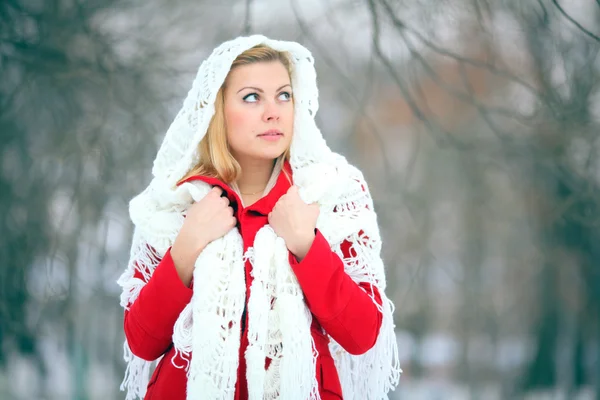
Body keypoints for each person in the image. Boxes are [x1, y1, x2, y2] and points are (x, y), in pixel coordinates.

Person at [117, 35, 401, 400]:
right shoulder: (176, 203)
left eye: (284, 95)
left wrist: (307, 246)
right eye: (252, 97)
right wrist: (186, 247)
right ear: (216, 110)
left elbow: (362, 335)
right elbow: (142, 341)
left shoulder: (329, 196)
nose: (274, 111)